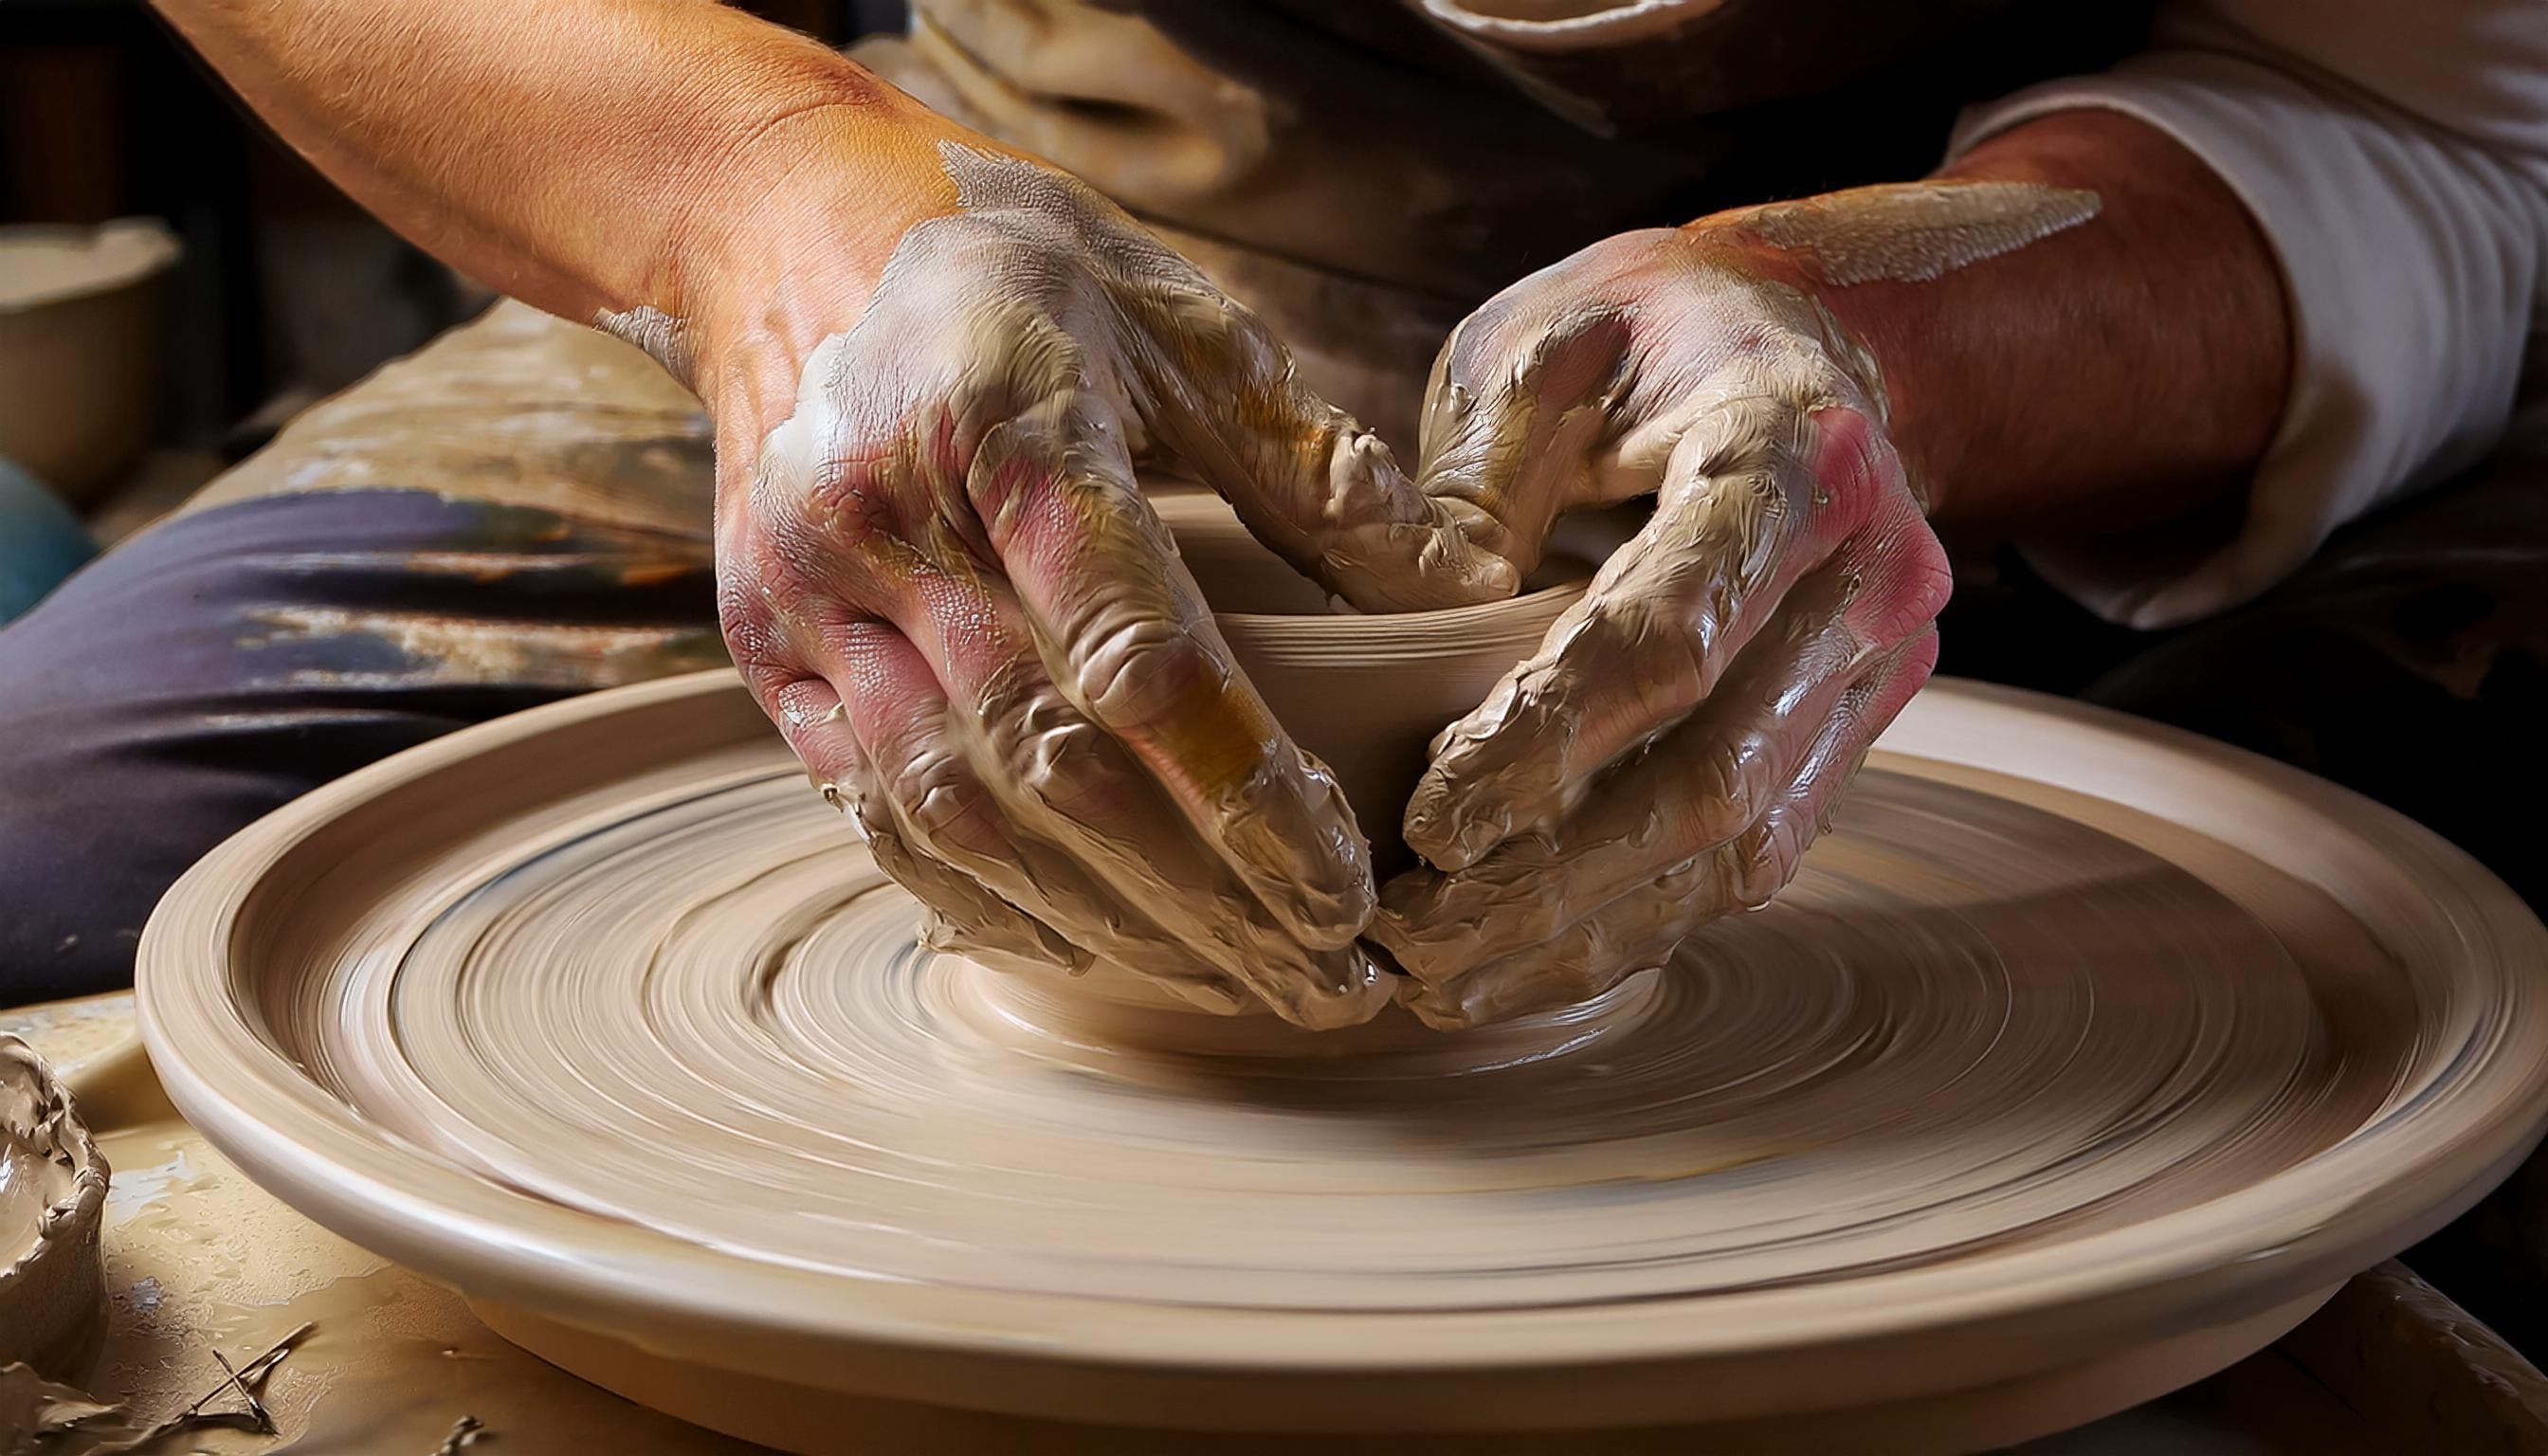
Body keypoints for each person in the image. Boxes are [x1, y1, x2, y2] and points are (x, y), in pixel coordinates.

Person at [4, 1, 2542, 1035]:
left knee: (2411, 1047)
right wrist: (761, 220)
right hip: (977, 203)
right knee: (49, 859)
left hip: (1975, 280)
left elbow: (2434, 120)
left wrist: (1895, 353)